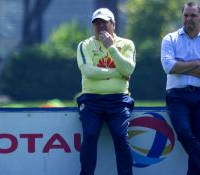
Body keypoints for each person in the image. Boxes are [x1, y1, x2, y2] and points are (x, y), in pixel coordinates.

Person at [161, 2, 200, 175]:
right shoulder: (170, 39)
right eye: (186, 15)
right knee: (184, 132)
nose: (188, 19)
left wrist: (180, 64)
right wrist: (197, 63)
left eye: (193, 16)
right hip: (177, 96)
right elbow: (168, 67)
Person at [76, 8, 136, 175]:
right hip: (91, 100)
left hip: (118, 101)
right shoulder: (84, 45)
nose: (100, 26)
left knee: (120, 136)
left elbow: (128, 69)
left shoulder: (126, 44)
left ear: (113, 24)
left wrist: (111, 47)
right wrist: (117, 73)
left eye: (105, 22)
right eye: (97, 23)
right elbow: (88, 72)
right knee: (89, 135)